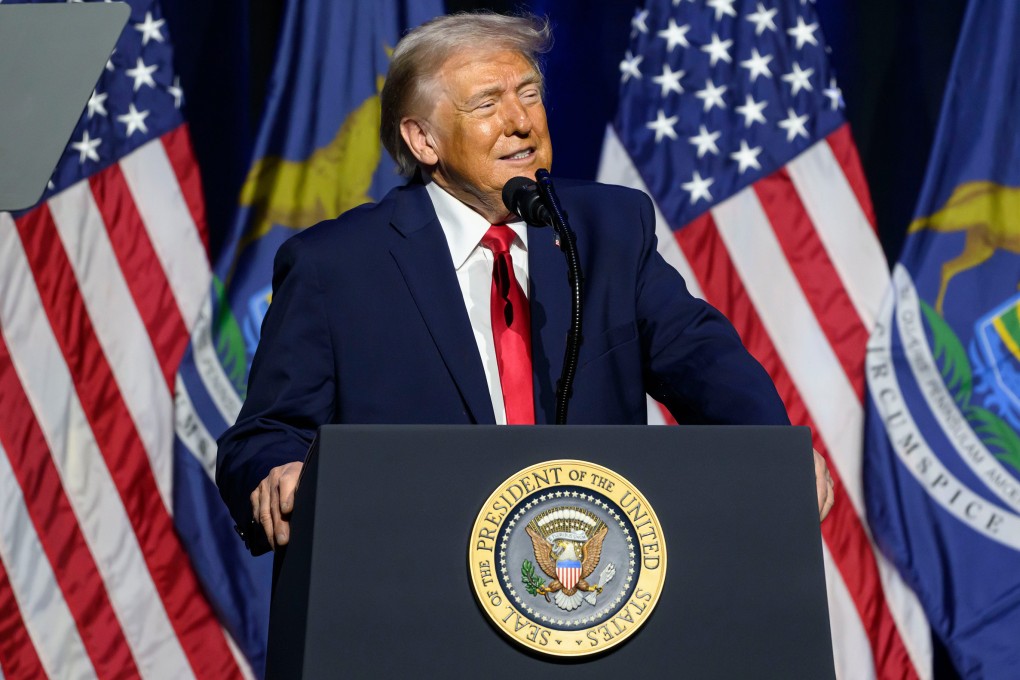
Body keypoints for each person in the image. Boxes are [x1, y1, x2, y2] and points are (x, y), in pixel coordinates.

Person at [217, 12, 835, 555]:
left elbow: (701, 356)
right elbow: (265, 434)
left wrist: (772, 449)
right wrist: (278, 470)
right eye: (486, 103)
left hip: (590, 584)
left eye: (530, 94)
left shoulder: (608, 229)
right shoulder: (337, 266)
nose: (519, 121)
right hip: (416, 588)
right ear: (422, 138)